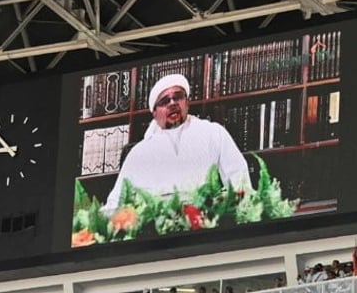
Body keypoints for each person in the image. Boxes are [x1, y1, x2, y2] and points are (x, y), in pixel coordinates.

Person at [102, 74, 250, 215]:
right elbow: (116, 202)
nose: (172, 103)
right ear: (154, 113)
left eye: (177, 97)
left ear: (186, 102)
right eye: (164, 101)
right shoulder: (139, 153)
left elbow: (239, 182)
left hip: (207, 221)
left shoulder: (214, 133)